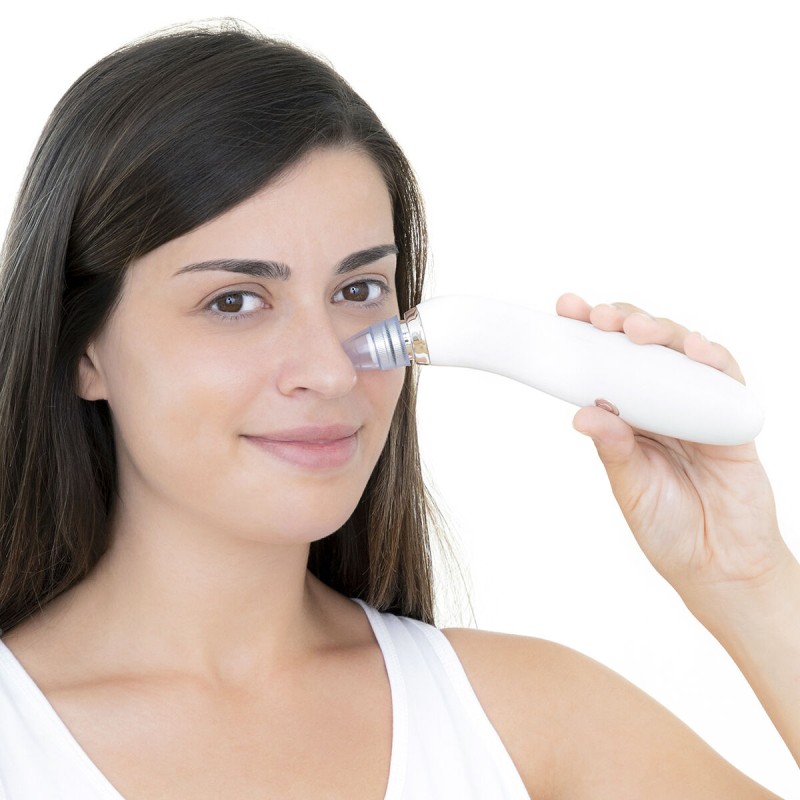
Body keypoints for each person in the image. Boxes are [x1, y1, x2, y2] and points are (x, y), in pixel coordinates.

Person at [0, 21, 796, 799]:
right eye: (234, 301)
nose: (329, 369)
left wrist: (746, 574)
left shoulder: (528, 724)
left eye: (358, 289)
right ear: (83, 350)